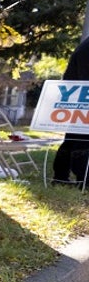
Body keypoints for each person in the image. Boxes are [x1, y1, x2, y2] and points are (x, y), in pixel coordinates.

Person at [51, 36, 89, 185]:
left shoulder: (85, 46)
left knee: (72, 140)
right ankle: (83, 179)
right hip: (81, 98)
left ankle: (60, 177)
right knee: (82, 141)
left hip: (75, 97)